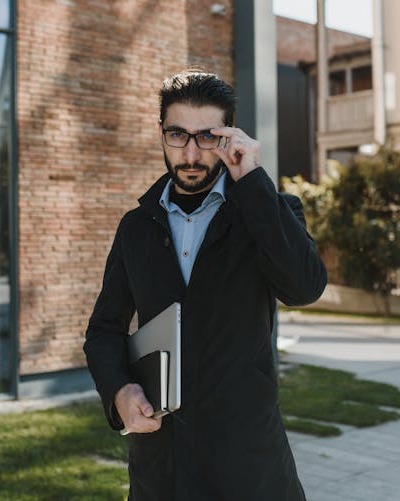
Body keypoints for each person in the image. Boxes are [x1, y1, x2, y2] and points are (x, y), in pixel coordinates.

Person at [84, 69, 327, 501]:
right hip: (162, 466)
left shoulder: (268, 210)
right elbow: (104, 330)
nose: (192, 154)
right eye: (178, 135)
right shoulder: (136, 227)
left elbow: (305, 287)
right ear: (161, 134)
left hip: (249, 464)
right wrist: (119, 392)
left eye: (207, 138)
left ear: (227, 138)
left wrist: (251, 179)